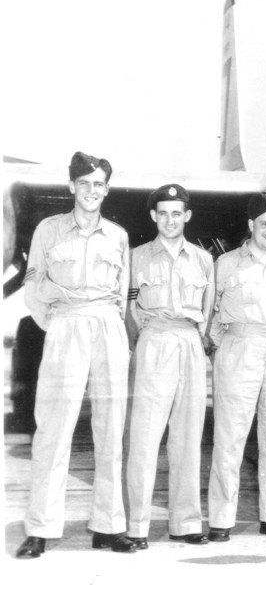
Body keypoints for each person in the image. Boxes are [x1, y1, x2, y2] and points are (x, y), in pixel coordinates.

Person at [17, 152, 136, 558]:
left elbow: (123, 295)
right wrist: (59, 325)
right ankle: (41, 528)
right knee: (53, 427)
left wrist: (108, 325)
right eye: (83, 183)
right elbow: (33, 285)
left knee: (111, 428)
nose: (91, 191)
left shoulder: (118, 236)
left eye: (98, 184)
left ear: (107, 189)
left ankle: (109, 526)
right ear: (71, 187)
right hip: (66, 324)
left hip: (106, 324)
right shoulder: (48, 230)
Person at [207, 192, 266, 541]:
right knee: (230, 437)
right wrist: (227, 346)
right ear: (251, 225)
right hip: (239, 347)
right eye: (264, 224)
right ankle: (220, 519)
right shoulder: (226, 264)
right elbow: (210, 315)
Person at [125, 184, 215, 548]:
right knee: (144, 437)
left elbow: (207, 309)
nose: (170, 220)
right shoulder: (138, 257)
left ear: (187, 216)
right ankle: (136, 526)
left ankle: (186, 523)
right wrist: (142, 342)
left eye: (176, 213)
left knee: (188, 436)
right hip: (154, 340)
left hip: (190, 340)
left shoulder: (203, 259)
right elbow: (127, 308)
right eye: (163, 213)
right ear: (153, 216)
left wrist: (196, 337)